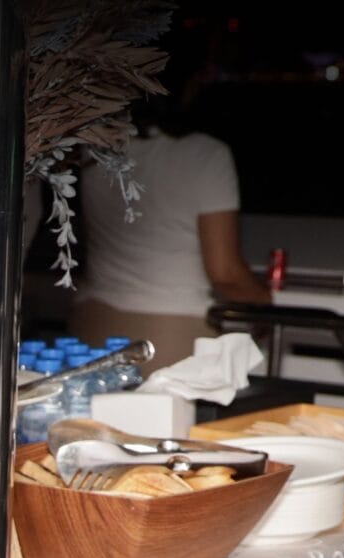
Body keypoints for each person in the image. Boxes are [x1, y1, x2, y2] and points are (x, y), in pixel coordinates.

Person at [69, 72, 274, 373]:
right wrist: (265, 300)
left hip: (93, 325)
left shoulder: (96, 150)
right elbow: (225, 274)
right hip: (171, 335)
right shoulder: (205, 155)